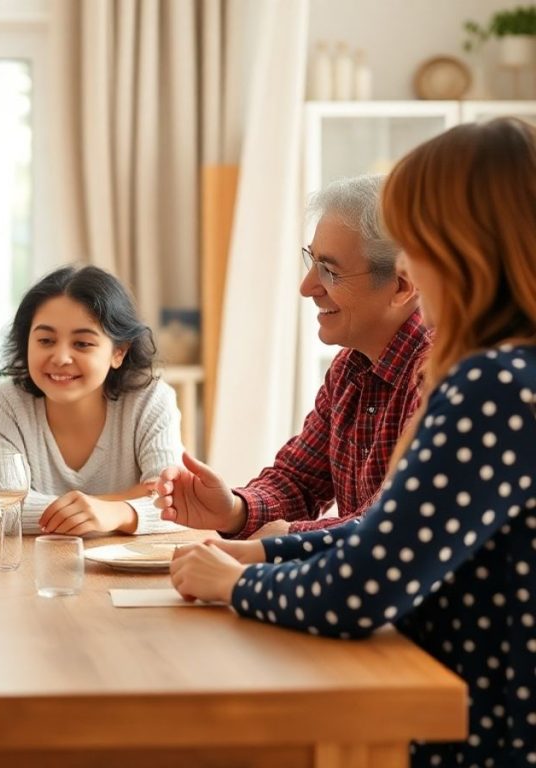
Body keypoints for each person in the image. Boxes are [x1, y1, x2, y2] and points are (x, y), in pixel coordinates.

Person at [163, 118, 536, 766]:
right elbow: (388, 537)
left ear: (463, 250)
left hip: (479, 732)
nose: (414, 263)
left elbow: (367, 583)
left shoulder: (491, 384)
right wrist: (253, 538)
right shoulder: (510, 372)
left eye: (419, 241)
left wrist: (239, 582)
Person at [160, 174, 430, 539]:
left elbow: (392, 527)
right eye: (312, 262)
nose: (307, 288)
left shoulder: (439, 373)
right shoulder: (349, 368)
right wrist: (234, 510)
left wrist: (284, 539)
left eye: (330, 271)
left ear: (401, 287)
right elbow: (299, 482)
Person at [0, 265, 183, 535]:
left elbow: (177, 506)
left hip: (131, 569)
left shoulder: (151, 400)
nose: (61, 357)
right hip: (33, 568)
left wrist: (117, 513)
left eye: (82, 344)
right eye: (46, 340)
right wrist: (122, 502)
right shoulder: (5, 404)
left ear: (118, 352)